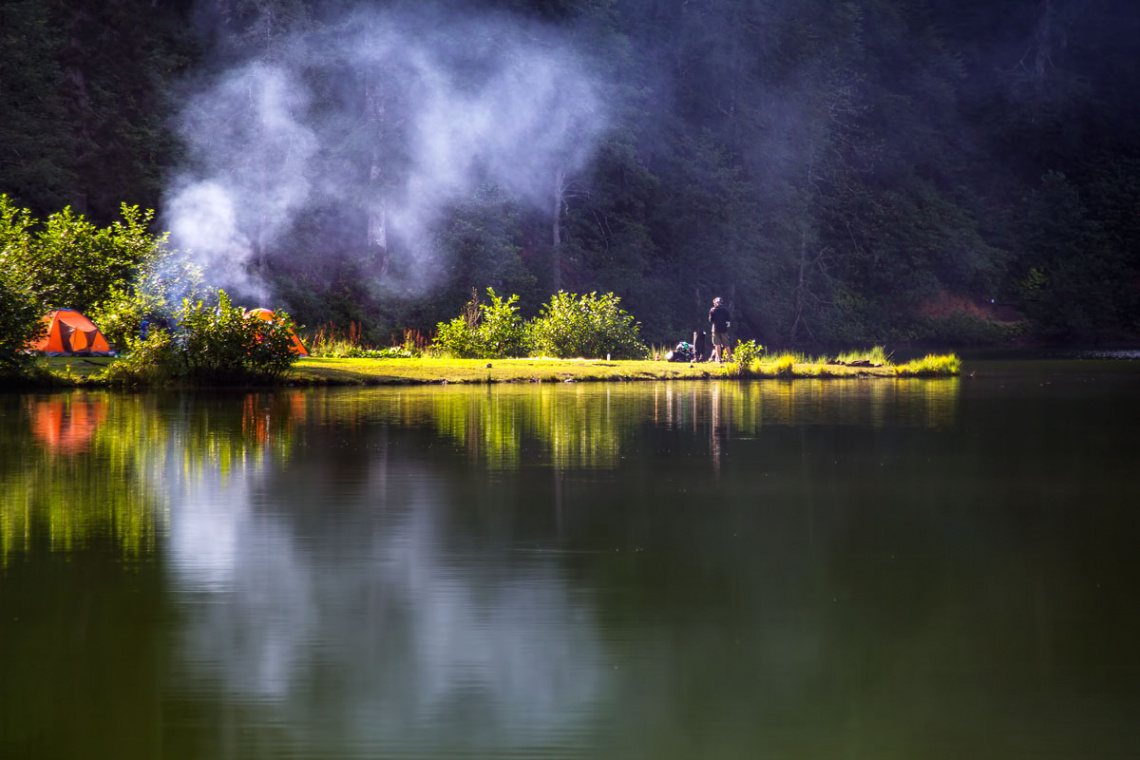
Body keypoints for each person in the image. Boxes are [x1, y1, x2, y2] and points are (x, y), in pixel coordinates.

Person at [708, 297, 731, 362]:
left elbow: (710, 320)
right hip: (724, 329)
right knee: (726, 344)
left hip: (715, 329)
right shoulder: (726, 310)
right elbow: (728, 320)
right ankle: (730, 358)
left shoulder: (713, 310)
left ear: (716, 303)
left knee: (717, 344)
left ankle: (719, 359)